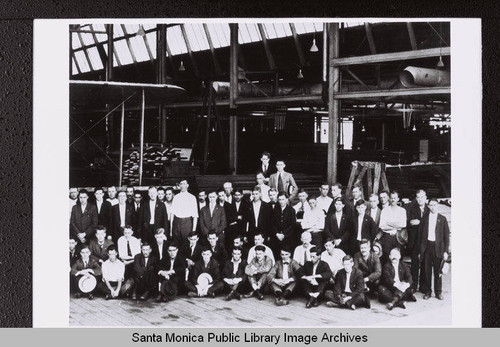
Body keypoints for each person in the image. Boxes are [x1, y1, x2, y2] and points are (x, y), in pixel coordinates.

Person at [419, 198, 450, 300]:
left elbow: (446, 237)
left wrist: (446, 251)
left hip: (438, 248)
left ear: (437, 206)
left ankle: (438, 292)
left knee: (438, 272)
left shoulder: (442, 219)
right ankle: (428, 291)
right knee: (427, 271)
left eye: (434, 205)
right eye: (430, 205)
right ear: (428, 206)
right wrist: (421, 250)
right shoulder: (425, 218)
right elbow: (421, 235)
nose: (432, 207)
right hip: (427, 247)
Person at [406, 189, 429, 291]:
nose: (420, 199)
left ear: (425, 198)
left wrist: (419, 222)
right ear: (416, 198)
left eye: (422, 197)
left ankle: (423, 286)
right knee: (414, 264)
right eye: (418, 197)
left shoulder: (429, 209)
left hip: (426, 240)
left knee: (425, 263)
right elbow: (411, 222)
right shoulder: (412, 209)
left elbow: (428, 224)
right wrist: (423, 222)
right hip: (415, 241)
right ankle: (413, 286)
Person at [378, 190, 407, 264]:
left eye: (395, 198)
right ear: (389, 199)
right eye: (391, 198)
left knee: (398, 258)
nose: (393, 200)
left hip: (398, 237)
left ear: (398, 199)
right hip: (387, 238)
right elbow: (382, 226)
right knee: (387, 258)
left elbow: (403, 225)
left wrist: (389, 223)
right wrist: (396, 225)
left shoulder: (402, 210)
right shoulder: (385, 210)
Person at [171, 180, 198, 247]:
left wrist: (193, 230)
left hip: (187, 223)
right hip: (177, 222)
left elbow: (195, 215)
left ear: (187, 185)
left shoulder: (192, 197)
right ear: (179, 185)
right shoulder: (176, 197)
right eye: (181, 184)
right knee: (176, 243)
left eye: (184, 184)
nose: (182, 186)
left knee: (186, 243)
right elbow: (172, 214)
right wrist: (171, 229)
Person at [271, 192, 297, 258]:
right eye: (279, 199)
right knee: (277, 255)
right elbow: (272, 224)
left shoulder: (291, 210)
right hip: (276, 238)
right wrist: (277, 233)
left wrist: (284, 234)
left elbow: (293, 225)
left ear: (286, 199)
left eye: (283, 199)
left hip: (288, 238)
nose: (281, 201)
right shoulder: (274, 210)